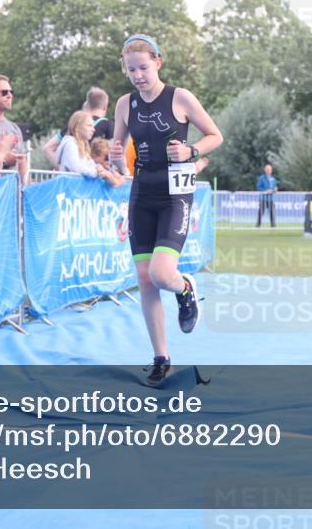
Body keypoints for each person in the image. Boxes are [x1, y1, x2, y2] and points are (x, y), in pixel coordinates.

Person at [109, 34, 222, 387]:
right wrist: (115, 156)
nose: (138, 75)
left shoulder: (180, 97)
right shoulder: (125, 104)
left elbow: (215, 136)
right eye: (131, 70)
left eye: (144, 67)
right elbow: (119, 145)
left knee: (161, 274)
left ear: (158, 61)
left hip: (176, 193)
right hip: (142, 192)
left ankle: (185, 286)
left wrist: (190, 152)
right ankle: (161, 357)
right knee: (145, 280)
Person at [42, 87, 114, 164]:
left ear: (87, 104)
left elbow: (47, 148)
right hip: (96, 173)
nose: (92, 129)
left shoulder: (74, 125)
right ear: (105, 106)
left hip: (74, 173)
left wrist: (61, 168)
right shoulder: (109, 126)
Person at [0, 75, 29, 185]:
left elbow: (23, 163)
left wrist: (26, 191)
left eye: (11, 92)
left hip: (13, 192)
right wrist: (4, 159)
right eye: (4, 92)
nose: (9, 95)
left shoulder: (15, 128)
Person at [58, 110, 115, 184]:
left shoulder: (82, 146)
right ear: (77, 127)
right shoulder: (70, 144)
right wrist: (96, 172)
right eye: (89, 126)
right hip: (69, 190)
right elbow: (76, 167)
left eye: (93, 126)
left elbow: (90, 164)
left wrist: (98, 168)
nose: (93, 129)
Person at [255, 163, 277, 228]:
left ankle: (273, 226)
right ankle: (258, 225)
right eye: (267, 169)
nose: (269, 171)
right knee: (261, 212)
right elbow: (258, 187)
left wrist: (275, 189)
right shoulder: (261, 178)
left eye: (270, 169)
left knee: (272, 213)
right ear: (265, 170)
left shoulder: (273, 178)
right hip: (263, 198)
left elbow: (274, 186)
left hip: (271, 199)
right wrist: (266, 191)